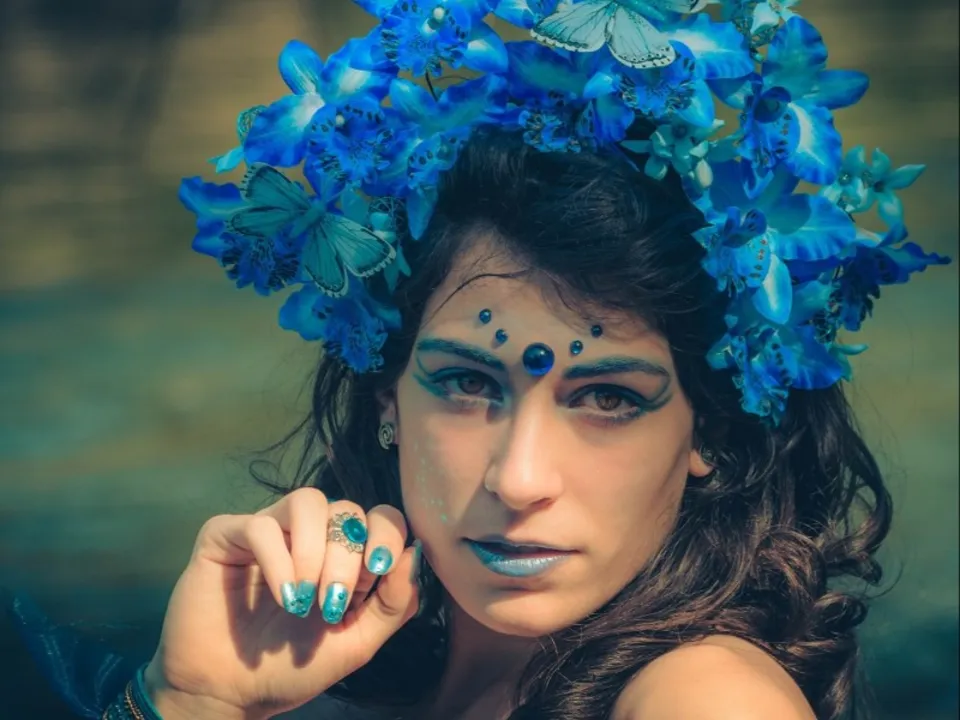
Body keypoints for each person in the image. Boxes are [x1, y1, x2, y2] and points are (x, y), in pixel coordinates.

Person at [13, 1, 950, 719]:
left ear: (710, 428)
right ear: (386, 395)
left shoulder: (703, 696)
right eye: (467, 383)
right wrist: (188, 702)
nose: (519, 478)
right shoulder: (345, 669)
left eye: (608, 399)